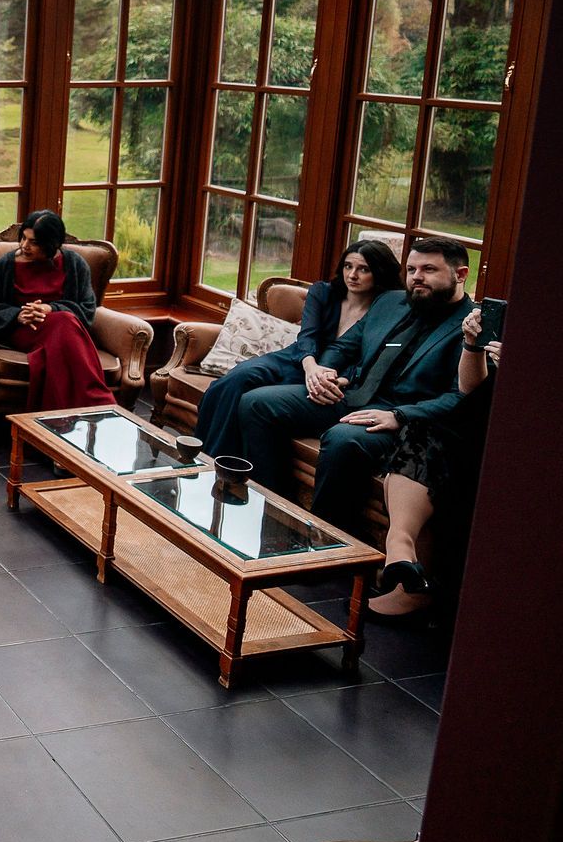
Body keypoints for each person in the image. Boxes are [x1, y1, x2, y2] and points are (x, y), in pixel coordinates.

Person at [238, 237, 474, 531]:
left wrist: (398, 416)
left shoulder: (471, 326)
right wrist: (324, 371)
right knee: (257, 403)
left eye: (428, 270)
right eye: (412, 269)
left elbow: (463, 397)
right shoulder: (390, 302)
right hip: (352, 394)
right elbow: (345, 346)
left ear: (460, 274)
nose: (416, 277)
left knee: (342, 439)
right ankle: (274, 511)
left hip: (402, 418)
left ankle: (326, 543)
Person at [195, 239, 401, 457]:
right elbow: (307, 335)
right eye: (348, 266)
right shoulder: (322, 292)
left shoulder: (386, 311)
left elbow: (373, 358)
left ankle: (226, 465)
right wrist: (311, 367)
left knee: (253, 399)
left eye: (363, 269)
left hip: (333, 376)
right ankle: (204, 456)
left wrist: (340, 379)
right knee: (233, 382)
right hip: (297, 359)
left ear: (379, 272)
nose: (352, 275)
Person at [369, 303, 501, 620]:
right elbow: (471, 390)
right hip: (479, 430)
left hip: (516, 444)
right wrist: (472, 346)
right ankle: (403, 556)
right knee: (422, 432)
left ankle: (402, 557)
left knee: (430, 451)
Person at [0, 210, 117, 411]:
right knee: (66, 322)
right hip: (22, 330)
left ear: (51, 244)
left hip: (63, 330)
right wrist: (18, 315)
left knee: (64, 322)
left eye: (33, 242)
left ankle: (56, 418)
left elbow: (87, 308)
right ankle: (98, 402)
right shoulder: (5, 265)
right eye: (23, 238)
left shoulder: (75, 265)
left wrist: (50, 308)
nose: (25, 245)